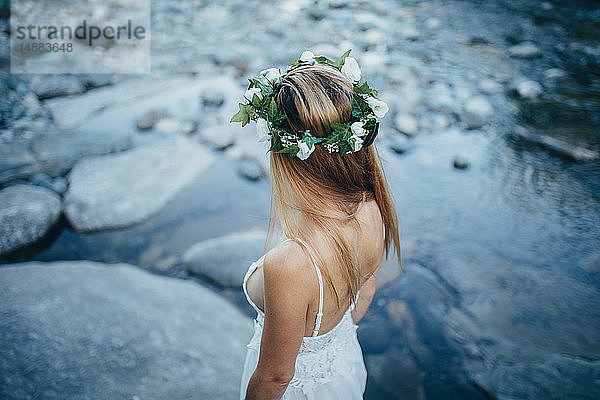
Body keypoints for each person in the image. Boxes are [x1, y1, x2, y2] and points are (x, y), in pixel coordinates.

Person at [232, 50, 401, 400]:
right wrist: (327, 346)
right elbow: (366, 291)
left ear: (286, 157)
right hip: (342, 367)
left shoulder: (292, 263)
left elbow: (275, 378)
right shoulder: (373, 207)